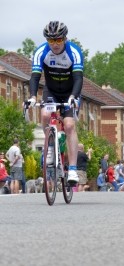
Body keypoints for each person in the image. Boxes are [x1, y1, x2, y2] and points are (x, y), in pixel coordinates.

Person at [26, 21, 84, 185]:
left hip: (70, 92)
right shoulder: (41, 52)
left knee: (69, 125)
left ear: (65, 38)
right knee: (44, 114)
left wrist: (73, 96)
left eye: (58, 40)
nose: (55, 44)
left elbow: (79, 78)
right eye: (51, 41)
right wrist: (32, 97)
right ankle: (50, 145)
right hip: (51, 91)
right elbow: (35, 77)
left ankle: (72, 170)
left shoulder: (74, 52)